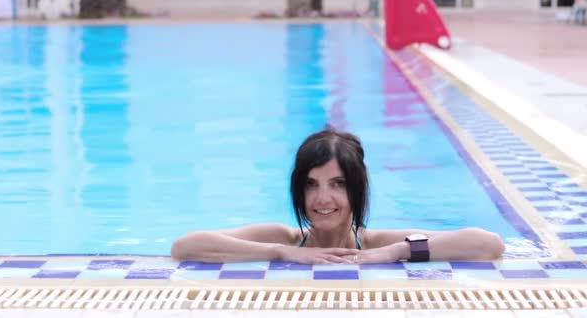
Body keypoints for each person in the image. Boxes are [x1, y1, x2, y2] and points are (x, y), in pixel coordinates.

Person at [171, 129, 505, 264]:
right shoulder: (283, 238)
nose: (323, 198)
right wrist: (282, 253)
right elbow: (185, 246)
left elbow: (487, 244)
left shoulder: (375, 244)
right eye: (311, 184)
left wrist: (396, 251)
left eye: (338, 184)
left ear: (357, 188)